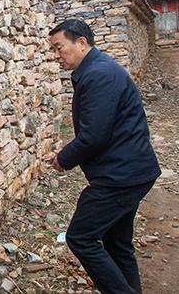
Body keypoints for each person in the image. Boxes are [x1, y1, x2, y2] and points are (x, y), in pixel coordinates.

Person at [49, 19, 161, 294]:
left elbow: (94, 136)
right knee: (117, 242)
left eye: (58, 47)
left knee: (80, 238)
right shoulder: (98, 70)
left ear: (82, 43)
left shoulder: (99, 74)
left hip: (120, 177)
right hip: (130, 171)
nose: (55, 55)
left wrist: (63, 159)